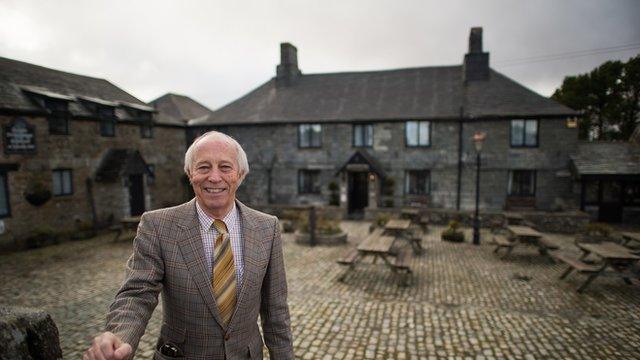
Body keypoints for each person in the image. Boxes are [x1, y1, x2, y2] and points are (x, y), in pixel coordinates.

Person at [84, 131, 294, 359]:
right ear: (189, 173)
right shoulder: (157, 226)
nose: (214, 177)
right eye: (204, 167)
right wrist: (119, 336)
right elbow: (137, 293)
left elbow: (276, 313)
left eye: (225, 167)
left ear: (240, 174)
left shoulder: (267, 228)